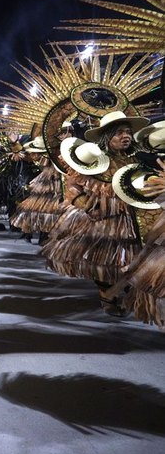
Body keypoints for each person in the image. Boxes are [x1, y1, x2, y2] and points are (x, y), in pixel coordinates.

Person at [42, 111, 154, 315]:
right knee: (105, 260)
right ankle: (107, 294)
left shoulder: (135, 160)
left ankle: (120, 291)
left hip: (132, 219)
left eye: (128, 132)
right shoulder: (94, 161)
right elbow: (73, 187)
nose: (125, 136)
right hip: (101, 220)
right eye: (119, 132)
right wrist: (88, 208)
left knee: (131, 259)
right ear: (106, 137)